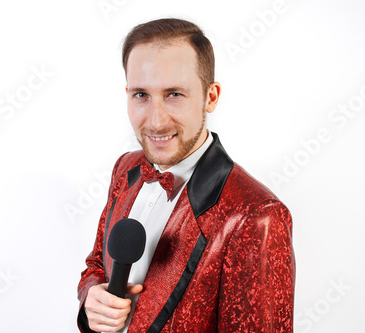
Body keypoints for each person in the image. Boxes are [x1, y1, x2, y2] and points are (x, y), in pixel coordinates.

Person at [77, 18, 295, 332]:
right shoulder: (126, 168)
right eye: (141, 95)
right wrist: (91, 299)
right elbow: (97, 263)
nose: (155, 122)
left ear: (211, 96)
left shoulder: (257, 216)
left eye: (174, 94)